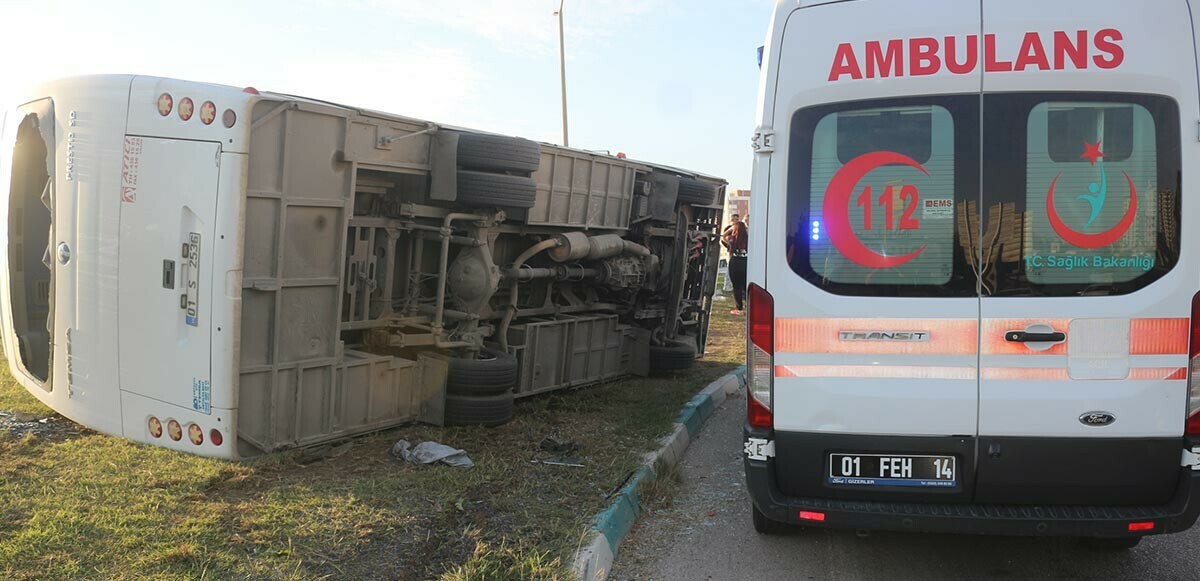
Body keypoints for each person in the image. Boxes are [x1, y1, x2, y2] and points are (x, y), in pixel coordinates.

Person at [721, 214, 749, 315]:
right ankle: (749, 307)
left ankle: (739, 308)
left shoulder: (732, 239)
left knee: (736, 287)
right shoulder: (748, 239)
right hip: (746, 262)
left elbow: (723, 237)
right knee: (746, 285)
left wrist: (731, 228)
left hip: (735, 263)